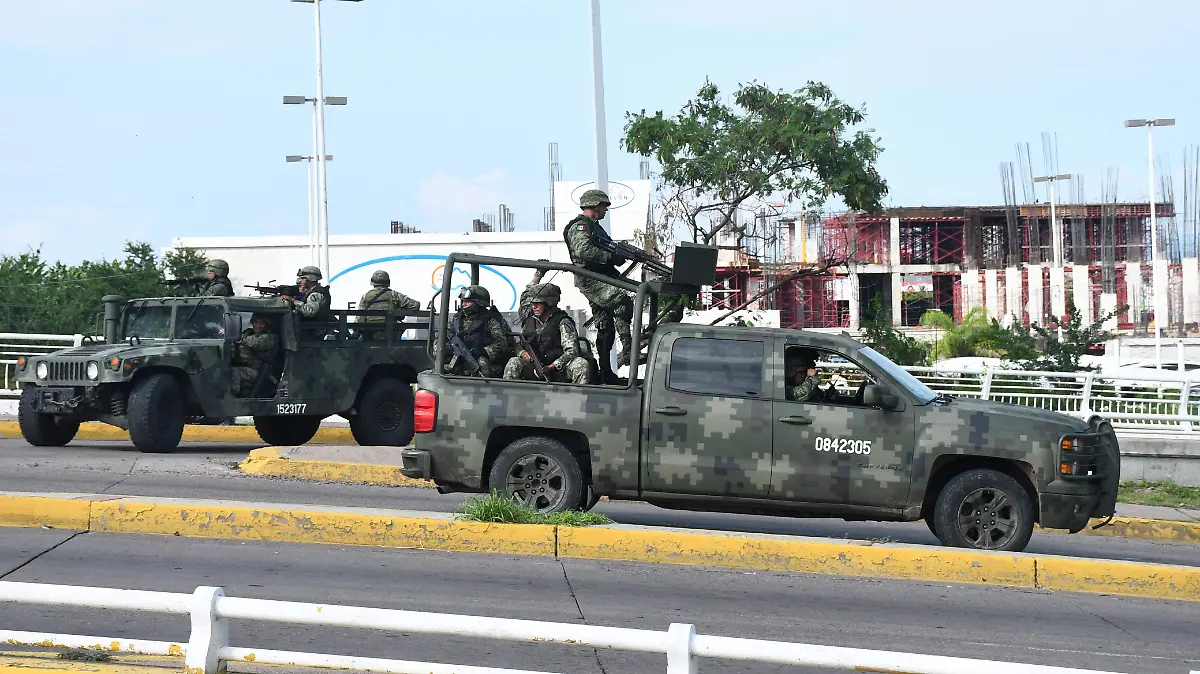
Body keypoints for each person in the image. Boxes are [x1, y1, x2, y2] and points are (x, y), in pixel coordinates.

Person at [562, 189, 634, 381]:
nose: (605, 210)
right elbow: (584, 251)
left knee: (605, 325)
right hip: (591, 279)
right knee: (622, 301)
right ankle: (628, 350)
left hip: (600, 277)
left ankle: (605, 372)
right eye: (603, 206)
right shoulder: (581, 227)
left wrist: (618, 256)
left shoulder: (595, 227)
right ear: (594, 205)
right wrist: (610, 257)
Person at [504, 283, 591, 385]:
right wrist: (523, 354)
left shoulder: (562, 322)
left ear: (549, 303)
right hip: (534, 368)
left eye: (538, 303)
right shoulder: (529, 320)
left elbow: (571, 351)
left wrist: (551, 367)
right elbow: (519, 345)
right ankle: (509, 399)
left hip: (559, 369)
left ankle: (577, 399)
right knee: (514, 362)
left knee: (581, 364)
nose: (534, 307)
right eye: (532, 303)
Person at [445, 285, 510, 377]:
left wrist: (484, 351)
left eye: (468, 302)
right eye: (463, 301)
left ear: (479, 303)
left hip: (482, 363)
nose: (464, 304)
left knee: (481, 362)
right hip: (457, 360)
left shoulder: (490, 320)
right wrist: (448, 348)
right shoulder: (456, 318)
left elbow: (502, 343)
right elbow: (443, 336)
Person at [358, 270, 420, 337]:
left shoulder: (365, 297)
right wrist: (399, 311)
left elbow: (359, 319)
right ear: (388, 282)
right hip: (390, 335)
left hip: (371, 335)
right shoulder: (394, 294)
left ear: (372, 282)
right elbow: (415, 305)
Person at [231, 313, 278, 397]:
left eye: (261, 323)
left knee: (235, 372)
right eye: (255, 322)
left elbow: (255, 343)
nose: (257, 326)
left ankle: (233, 397)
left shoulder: (270, 337)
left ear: (267, 325)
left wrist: (234, 336)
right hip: (245, 367)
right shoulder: (247, 333)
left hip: (257, 371)